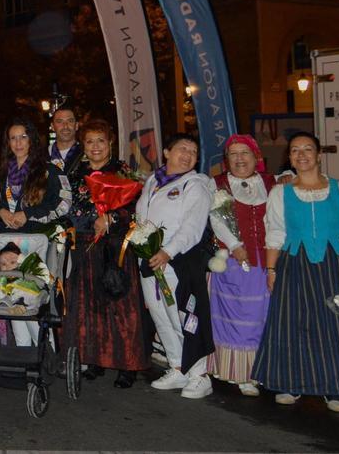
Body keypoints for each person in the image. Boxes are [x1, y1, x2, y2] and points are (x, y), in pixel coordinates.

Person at [253, 132, 339, 412]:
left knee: (338, 325)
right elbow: (275, 232)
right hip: (294, 263)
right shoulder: (280, 193)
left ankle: (338, 387)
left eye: (308, 149)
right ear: (289, 158)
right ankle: (291, 383)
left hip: (338, 264)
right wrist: (272, 269)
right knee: (293, 323)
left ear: (319, 154)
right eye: (295, 150)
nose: (302, 154)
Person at [63, 119, 148, 389]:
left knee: (120, 307)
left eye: (100, 140)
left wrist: (111, 218)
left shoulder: (122, 171)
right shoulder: (76, 173)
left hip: (115, 249)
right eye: (89, 141)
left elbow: (135, 206)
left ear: (110, 143)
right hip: (86, 246)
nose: (95, 146)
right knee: (91, 307)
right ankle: (96, 360)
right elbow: (68, 206)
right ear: (83, 146)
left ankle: (127, 364)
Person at [134, 133, 215, 400]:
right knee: (161, 316)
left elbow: (193, 226)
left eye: (193, 152)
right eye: (182, 149)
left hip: (178, 261)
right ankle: (178, 367)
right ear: (167, 153)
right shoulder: (153, 181)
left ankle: (199, 375)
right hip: (149, 260)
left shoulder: (195, 185)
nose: (188, 155)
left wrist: (168, 251)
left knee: (183, 316)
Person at [206, 134, 276, 397]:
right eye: (233, 154)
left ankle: (262, 368)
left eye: (244, 153)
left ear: (256, 157)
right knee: (238, 317)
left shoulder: (272, 182)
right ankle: (239, 372)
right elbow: (217, 219)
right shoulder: (219, 184)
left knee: (263, 316)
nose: (239, 159)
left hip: (267, 260)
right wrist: (235, 245)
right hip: (236, 261)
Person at [0, 117, 72, 235]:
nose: (18, 143)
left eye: (23, 137)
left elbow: (64, 202)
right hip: (4, 238)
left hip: (37, 239)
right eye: (13, 138)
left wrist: (28, 214)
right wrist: (1, 211)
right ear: (8, 142)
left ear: (31, 140)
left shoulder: (49, 171)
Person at [48, 107, 84, 178]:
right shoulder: (42, 156)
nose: (65, 126)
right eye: (59, 121)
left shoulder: (86, 154)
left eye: (70, 121)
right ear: (52, 126)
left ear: (76, 126)